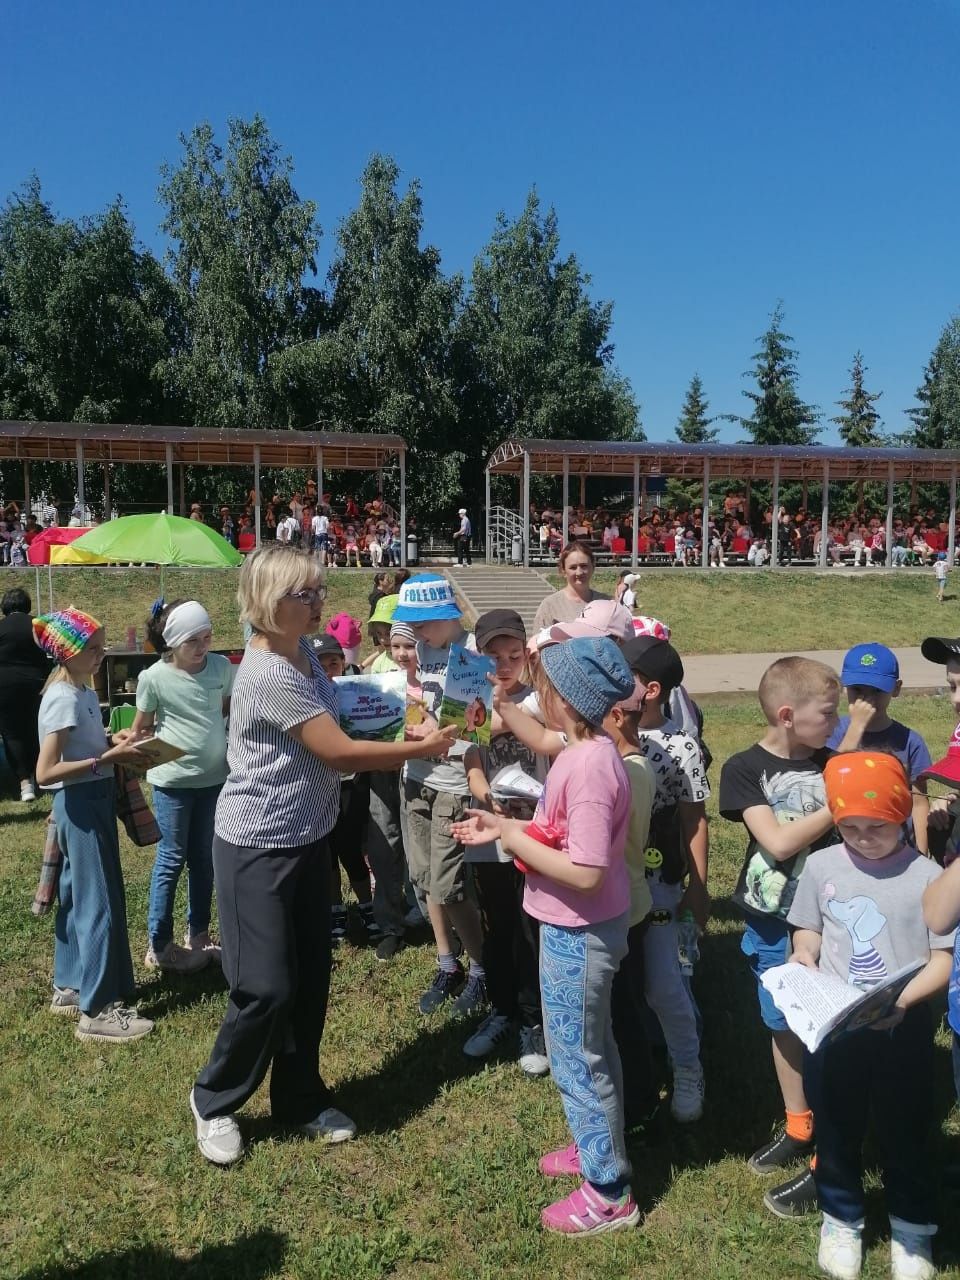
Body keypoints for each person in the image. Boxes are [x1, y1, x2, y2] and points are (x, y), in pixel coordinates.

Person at [189, 546, 456, 1167]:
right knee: (264, 987)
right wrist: (423, 748)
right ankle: (213, 1099)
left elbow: (344, 719)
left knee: (310, 981)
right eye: (304, 595)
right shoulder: (268, 673)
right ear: (269, 603)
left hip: (308, 838)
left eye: (318, 590)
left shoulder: (302, 652)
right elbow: (335, 752)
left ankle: (299, 1099)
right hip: (256, 847)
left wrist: (399, 722)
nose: (318, 603)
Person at [453, 636, 640, 1235]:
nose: (537, 695)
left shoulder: (587, 768)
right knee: (592, 1046)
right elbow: (558, 828)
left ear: (564, 699)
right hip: (582, 929)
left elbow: (585, 872)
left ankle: (608, 1193)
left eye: (543, 687)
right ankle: (597, 1151)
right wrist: (506, 823)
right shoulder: (586, 746)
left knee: (575, 1060)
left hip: (577, 933)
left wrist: (512, 838)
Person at [789, 752, 953, 1280]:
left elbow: (942, 961)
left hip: (902, 1028)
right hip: (837, 1027)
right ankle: (841, 1216)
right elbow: (808, 926)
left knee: (906, 1128)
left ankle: (911, 1226)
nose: (861, 838)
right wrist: (804, 954)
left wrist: (903, 1001)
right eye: (849, 827)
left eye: (876, 827)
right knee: (836, 1125)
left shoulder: (926, 877)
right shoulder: (821, 866)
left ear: (903, 815)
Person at [719, 656, 841, 1218]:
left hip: (829, 922)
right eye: (827, 714)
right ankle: (799, 1124)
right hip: (771, 918)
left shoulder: (835, 763)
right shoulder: (744, 768)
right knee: (781, 1021)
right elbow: (778, 843)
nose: (834, 724)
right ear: (789, 716)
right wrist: (841, 799)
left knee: (827, 1031)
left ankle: (831, 1146)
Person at [33, 609, 152, 1040]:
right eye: (94, 647)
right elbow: (46, 772)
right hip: (81, 804)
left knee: (74, 894)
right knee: (97, 901)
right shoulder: (64, 697)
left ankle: (69, 984)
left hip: (88, 800)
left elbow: (83, 743)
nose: (103, 653)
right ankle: (98, 1010)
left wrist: (109, 740)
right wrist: (105, 759)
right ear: (68, 653)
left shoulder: (79, 690)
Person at [391, 573, 489, 1016]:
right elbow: (417, 704)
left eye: (421, 624)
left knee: (451, 889)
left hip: (452, 785)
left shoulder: (471, 654)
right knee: (426, 879)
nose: (415, 633)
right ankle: (446, 962)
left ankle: (482, 969)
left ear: (443, 616)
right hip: (416, 778)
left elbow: (477, 723)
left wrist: (439, 733)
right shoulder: (423, 651)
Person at [460, 610, 550, 1076]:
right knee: (498, 924)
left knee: (531, 926)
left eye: (514, 655)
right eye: (495, 657)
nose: (506, 664)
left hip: (536, 833)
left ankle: (535, 1021)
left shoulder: (542, 698)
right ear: (478, 657)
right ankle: (503, 1010)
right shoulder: (468, 700)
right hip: (489, 830)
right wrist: (486, 794)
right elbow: (470, 759)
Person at [131, 599, 234, 975]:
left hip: (213, 781)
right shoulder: (154, 677)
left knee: (204, 859)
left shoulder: (222, 668)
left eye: (207, 637)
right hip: (172, 784)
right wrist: (133, 746)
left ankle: (199, 934)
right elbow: (141, 727)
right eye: (194, 641)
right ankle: (159, 943)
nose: (204, 646)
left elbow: (223, 710)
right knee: (171, 860)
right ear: (172, 643)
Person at [308, 635, 378, 946]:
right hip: (319, 784)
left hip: (351, 783)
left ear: (344, 663)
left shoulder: (355, 692)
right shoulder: (304, 695)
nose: (328, 671)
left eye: (333, 663)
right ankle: (335, 908)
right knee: (327, 851)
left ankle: (366, 905)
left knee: (351, 848)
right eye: (320, 666)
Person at [827, 644, 931, 853]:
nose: (866, 698)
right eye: (857, 689)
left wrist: (921, 851)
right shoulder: (833, 733)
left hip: (898, 846)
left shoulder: (910, 741)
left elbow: (919, 802)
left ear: (896, 689)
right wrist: (856, 728)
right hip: (848, 845)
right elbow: (828, 778)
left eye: (876, 690)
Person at [0, 588, 51, 800]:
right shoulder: (40, 625)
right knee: (37, 729)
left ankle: (25, 784)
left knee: (12, 733)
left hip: (5, 685)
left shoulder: (1, 627)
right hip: (38, 682)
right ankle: (43, 775)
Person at [532, 542, 610, 632]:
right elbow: (537, 643)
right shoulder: (550, 606)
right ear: (563, 571)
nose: (579, 572)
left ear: (593, 567)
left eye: (584, 566)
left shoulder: (606, 603)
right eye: (573, 567)